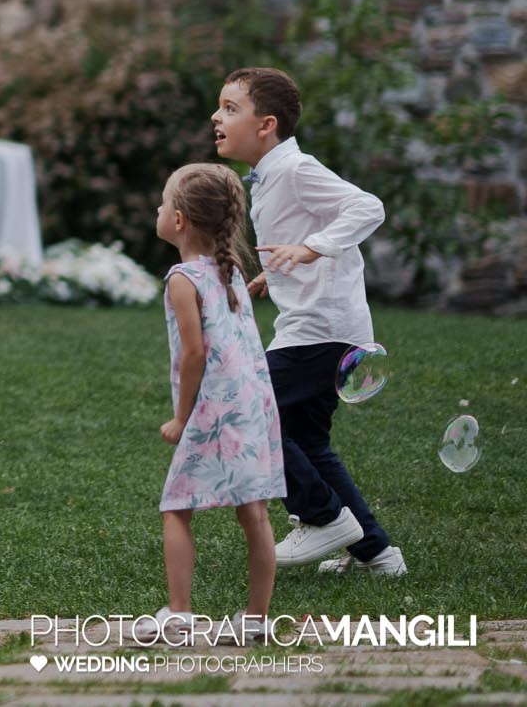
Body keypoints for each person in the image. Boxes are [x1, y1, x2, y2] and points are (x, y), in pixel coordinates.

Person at [212, 67, 403, 577]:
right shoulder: (273, 175)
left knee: (246, 408)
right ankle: (378, 555)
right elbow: (306, 231)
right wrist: (277, 275)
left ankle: (322, 519)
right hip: (316, 324)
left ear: (267, 124)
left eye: (231, 108)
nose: (217, 116)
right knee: (308, 440)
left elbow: (368, 207)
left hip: (322, 331)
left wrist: (311, 248)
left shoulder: (296, 169)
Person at [147, 163, 284, 645]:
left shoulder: (182, 279)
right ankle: (256, 620)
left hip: (213, 412)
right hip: (252, 406)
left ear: (179, 220)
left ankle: (179, 614)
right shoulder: (230, 269)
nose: (158, 210)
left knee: (176, 505)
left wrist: (181, 417)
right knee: (255, 513)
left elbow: (194, 353)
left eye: (164, 204)